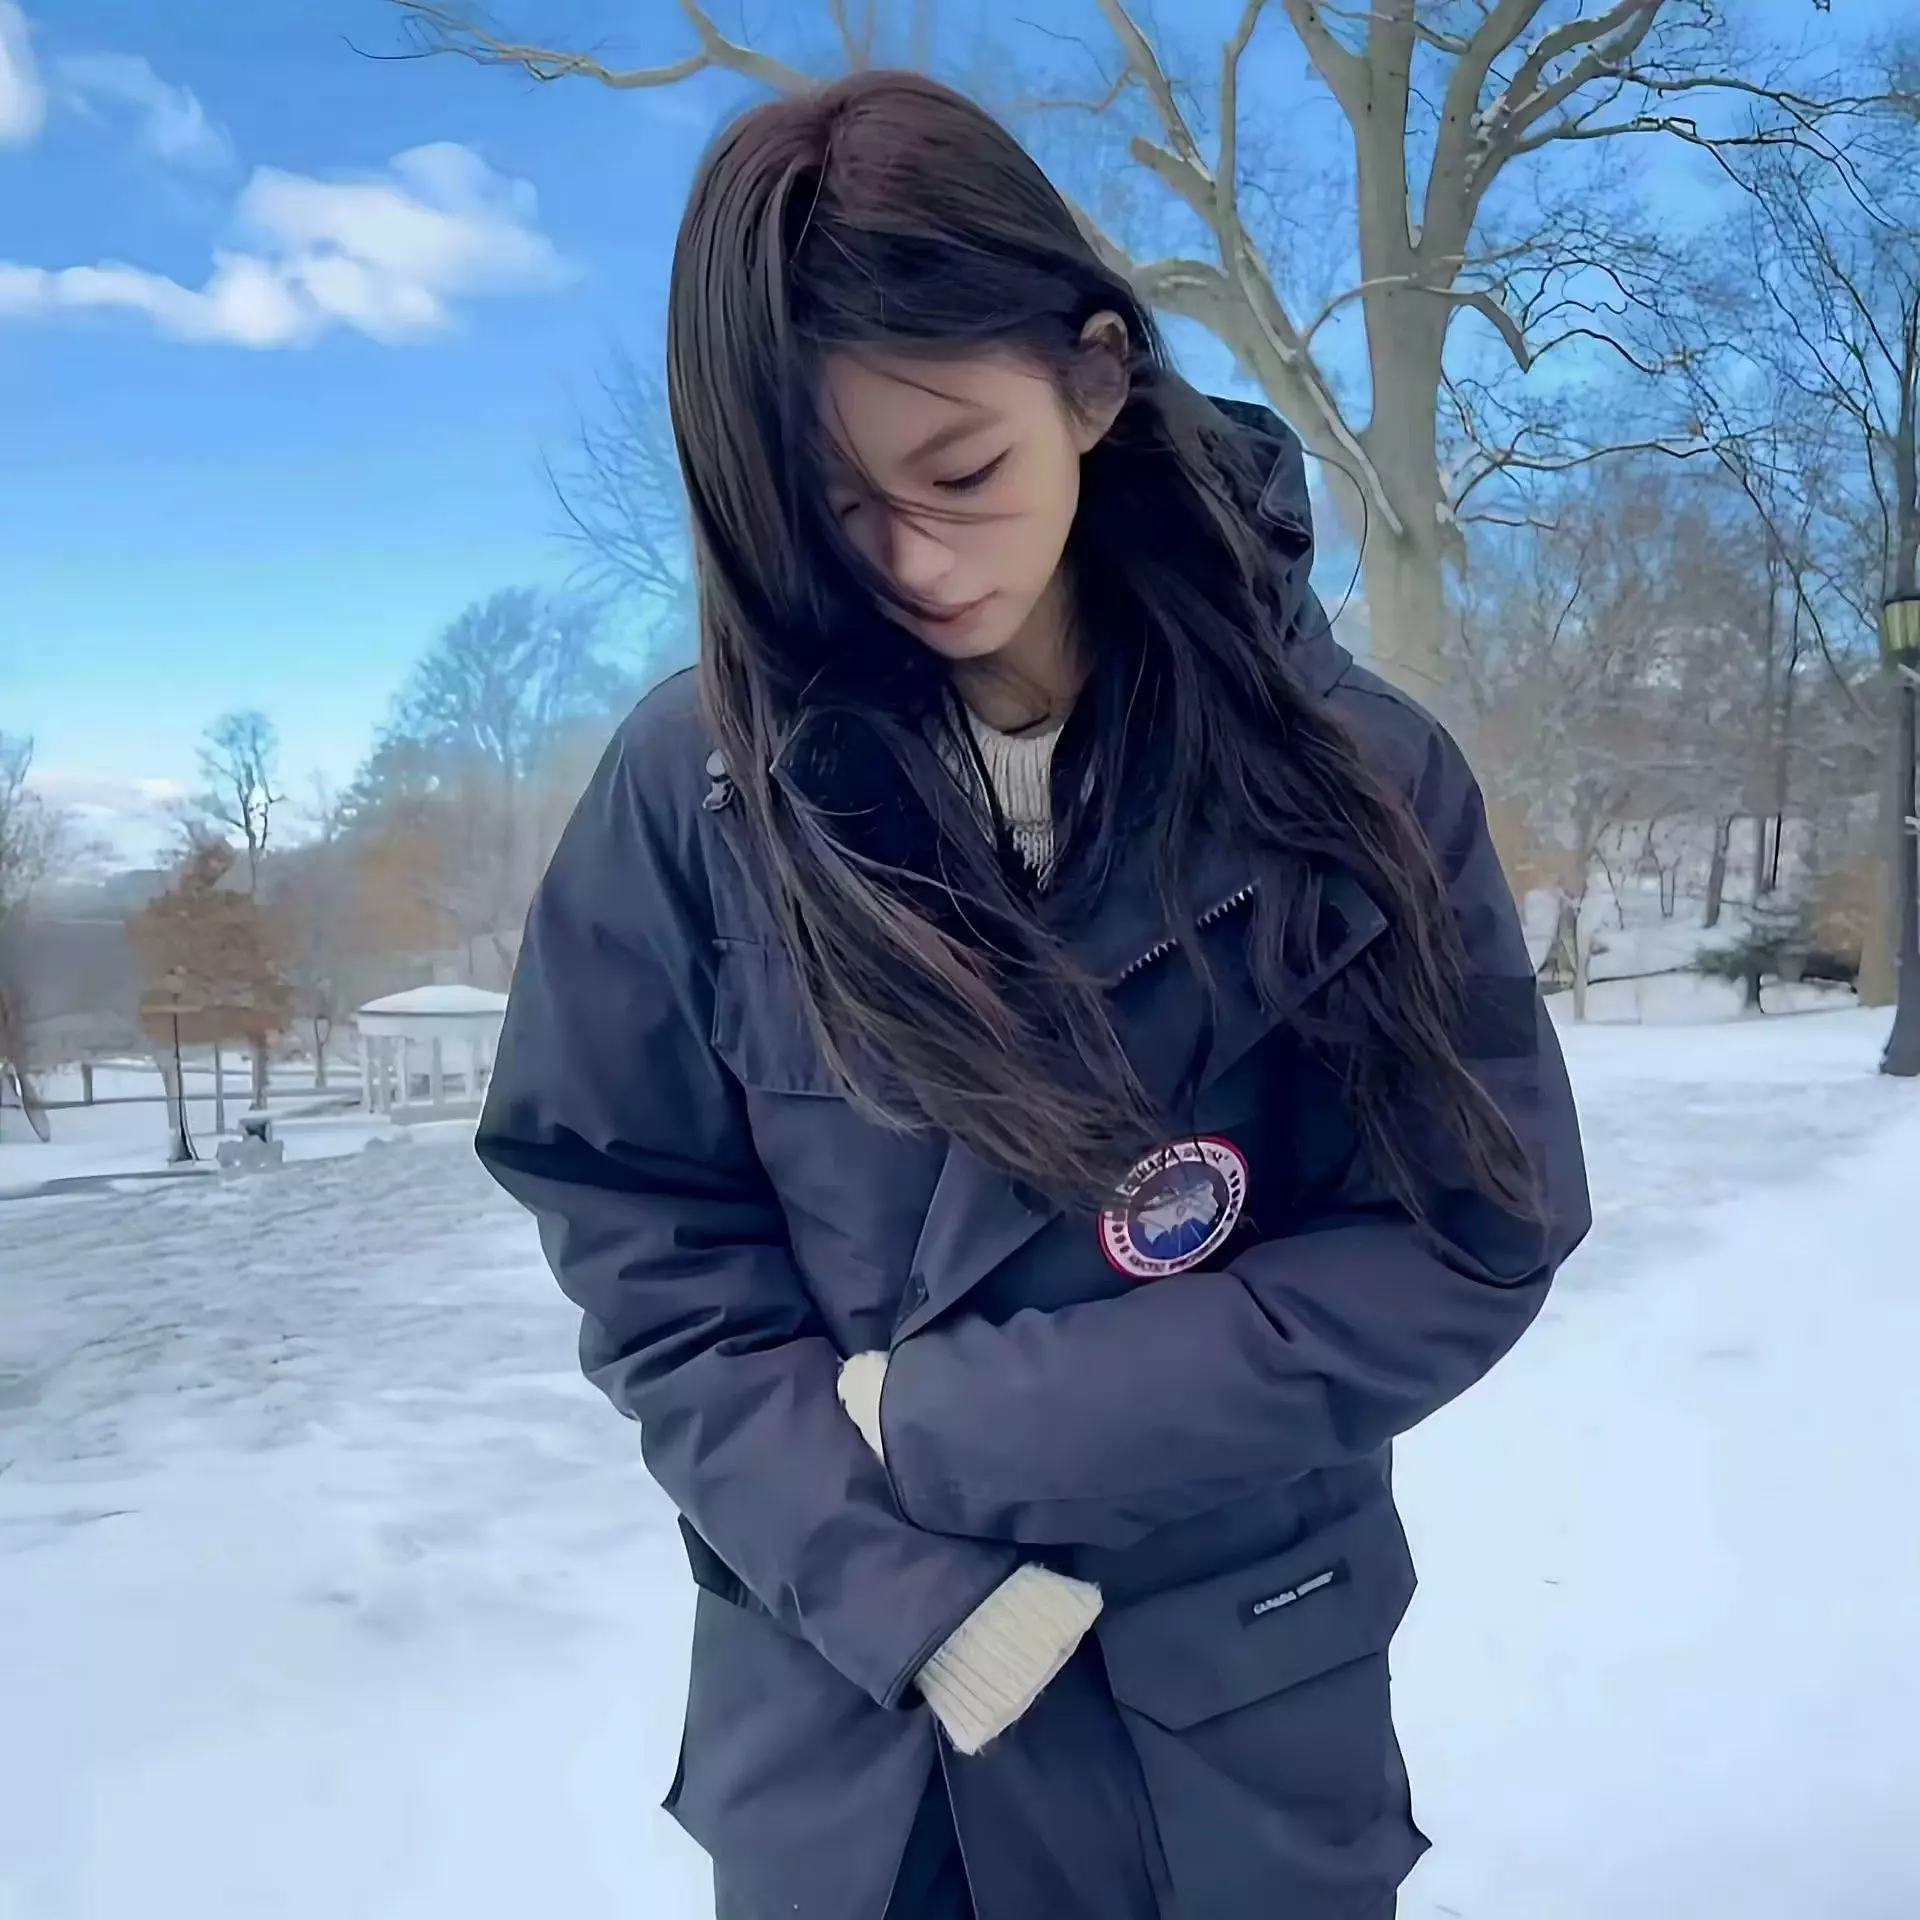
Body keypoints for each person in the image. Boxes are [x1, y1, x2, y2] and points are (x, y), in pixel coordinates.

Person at [475, 67, 1590, 1920]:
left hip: (1226, 1732)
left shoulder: (1359, 783)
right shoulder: (695, 789)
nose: (914, 564)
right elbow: (641, 1230)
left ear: (1091, 381)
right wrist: (898, 1584)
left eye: (963, 474)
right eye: (834, 506)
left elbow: (1465, 1234)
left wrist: (961, 1421)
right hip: (851, 1753)